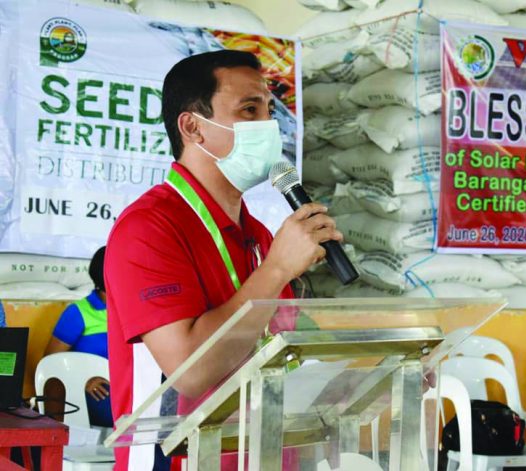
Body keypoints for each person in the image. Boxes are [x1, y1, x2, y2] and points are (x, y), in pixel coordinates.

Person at [105, 50, 341, 470]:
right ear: (192, 126)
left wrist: (363, 373)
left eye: (270, 110)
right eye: (249, 109)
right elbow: (189, 374)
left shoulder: (260, 235)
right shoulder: (148, 228)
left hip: (263, 455)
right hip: (179, 460)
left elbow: (285, 346)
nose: (267, 125)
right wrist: (278, 269)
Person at [45, 246, 113, 427]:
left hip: (135, 387)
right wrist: (83, 380)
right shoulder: (79, 313)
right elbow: (51, 363)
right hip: (100, 393)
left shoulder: (137, 311)